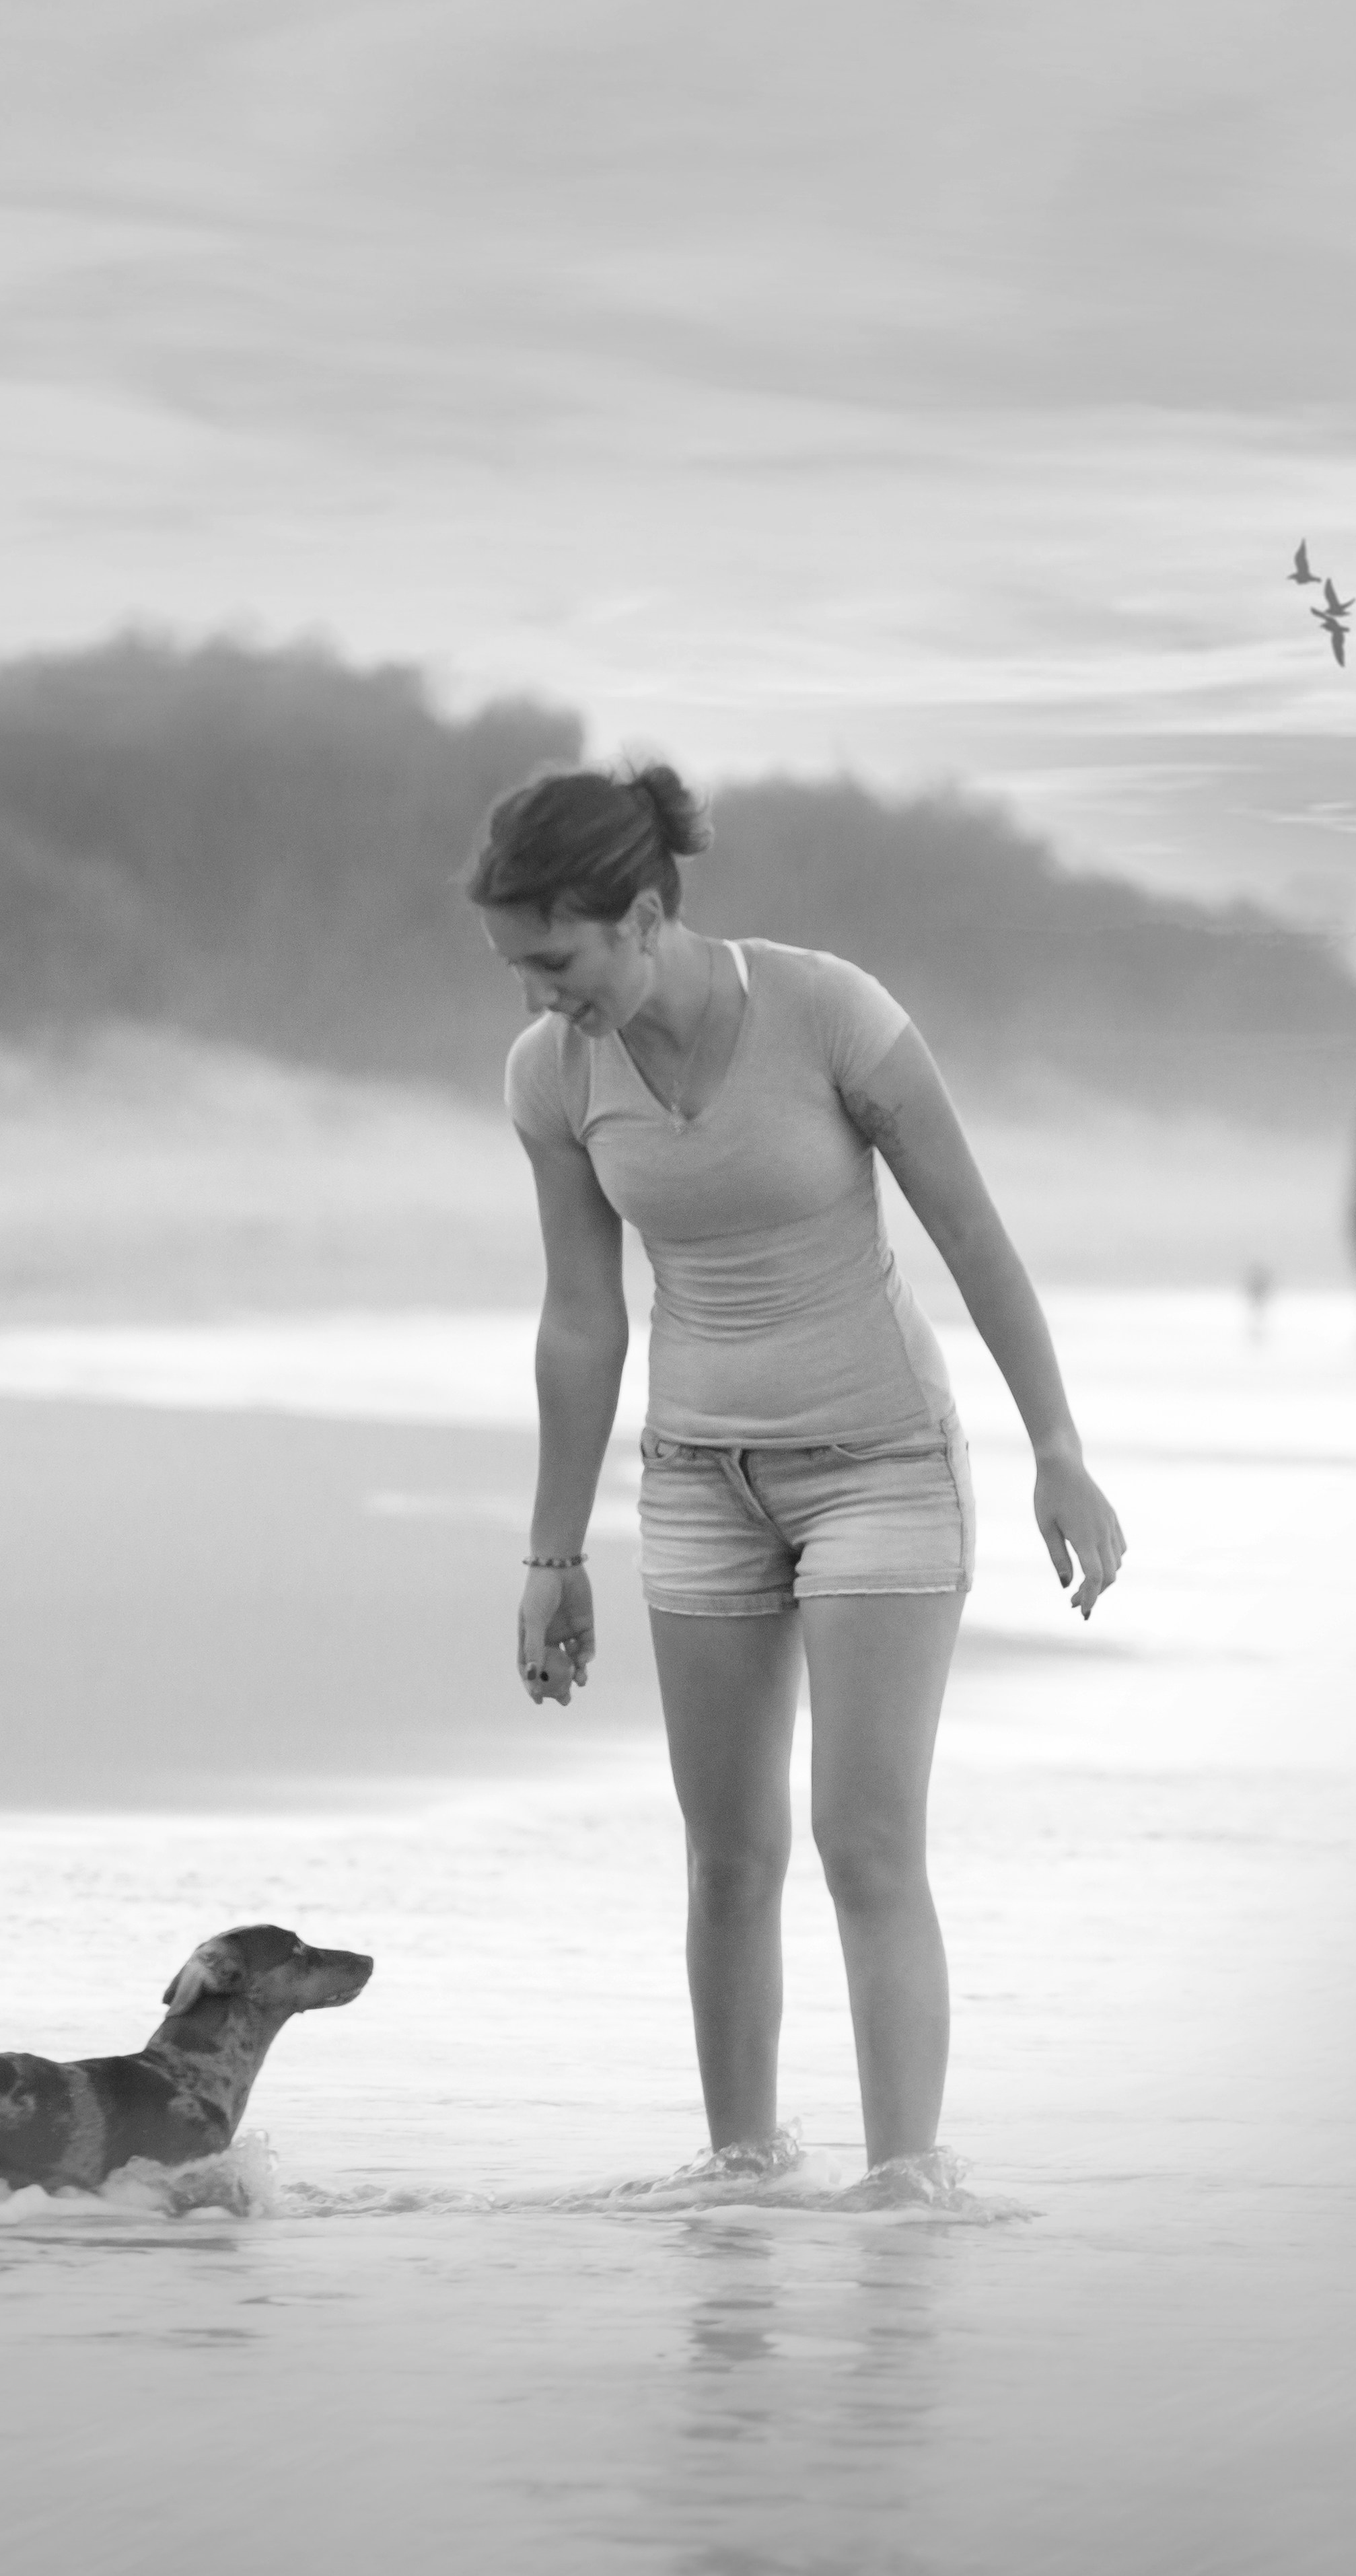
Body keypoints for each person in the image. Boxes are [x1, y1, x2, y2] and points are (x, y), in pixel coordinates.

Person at [474, 760, 1127, 2201]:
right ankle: (743, 2176)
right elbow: (582, 1318)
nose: (538, 996)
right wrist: (550, 1552)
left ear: (642, 916)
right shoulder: (555, 1078)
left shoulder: (833, 1013)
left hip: (883, 1470)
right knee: (727, 1859)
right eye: (517, 966)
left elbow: (970, 1233)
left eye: (558, 960)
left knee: (865, 1842)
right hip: (700, 1484)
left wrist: (1058, 1447)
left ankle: (905, 2185)